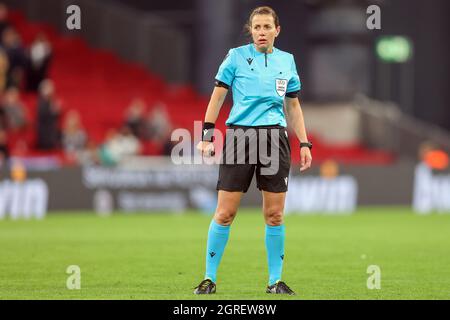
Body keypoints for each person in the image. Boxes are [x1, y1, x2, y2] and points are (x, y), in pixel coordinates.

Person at [193, 6, 312, 295]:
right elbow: (218, 96)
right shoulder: (235, 57)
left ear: (276, 30)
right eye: (256, 27)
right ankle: (209, 278)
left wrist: (305, 143)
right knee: (224, 213)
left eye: (266, 27)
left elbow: (293, 105)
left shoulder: (287, 61)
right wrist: (207, 135)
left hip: (275, 139)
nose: (261, 32)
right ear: (251, 30)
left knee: (275, 215)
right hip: (240, 137)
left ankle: (275, 282)